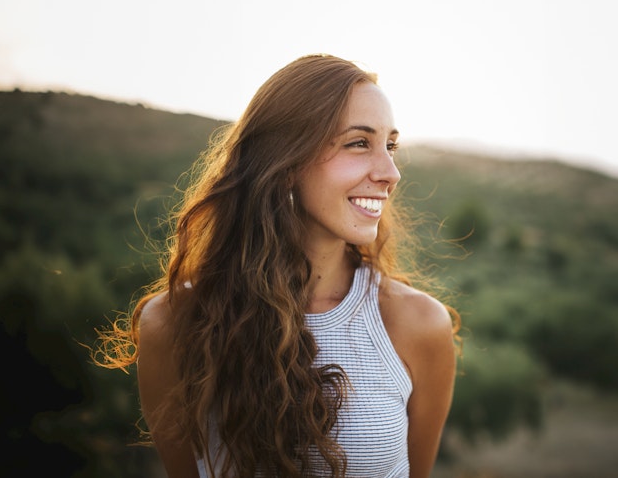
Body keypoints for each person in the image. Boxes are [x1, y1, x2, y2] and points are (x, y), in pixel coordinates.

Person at [94, 54, 461, 478]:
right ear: (286, 162)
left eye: (390, 146)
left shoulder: (417, 325)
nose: (391, 172)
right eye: (359, 143)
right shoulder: (173, 325)